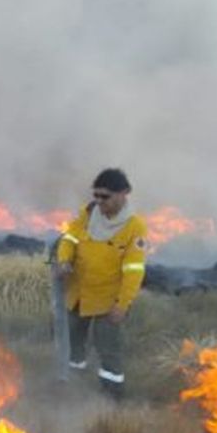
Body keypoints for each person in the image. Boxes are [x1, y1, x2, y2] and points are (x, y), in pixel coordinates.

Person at [53, 168, 148, 399]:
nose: (98, 201)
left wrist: (122, 304)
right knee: (73, 340)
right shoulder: (88, 213)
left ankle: (111, 395)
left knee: (108, 348)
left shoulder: (135, 228)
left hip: (108, 300)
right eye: (96, 195)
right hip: (78, 293)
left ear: (123, 194)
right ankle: (72, 385)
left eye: (104, 197)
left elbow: (133, 271)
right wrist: (64, 260)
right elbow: (69, 238)